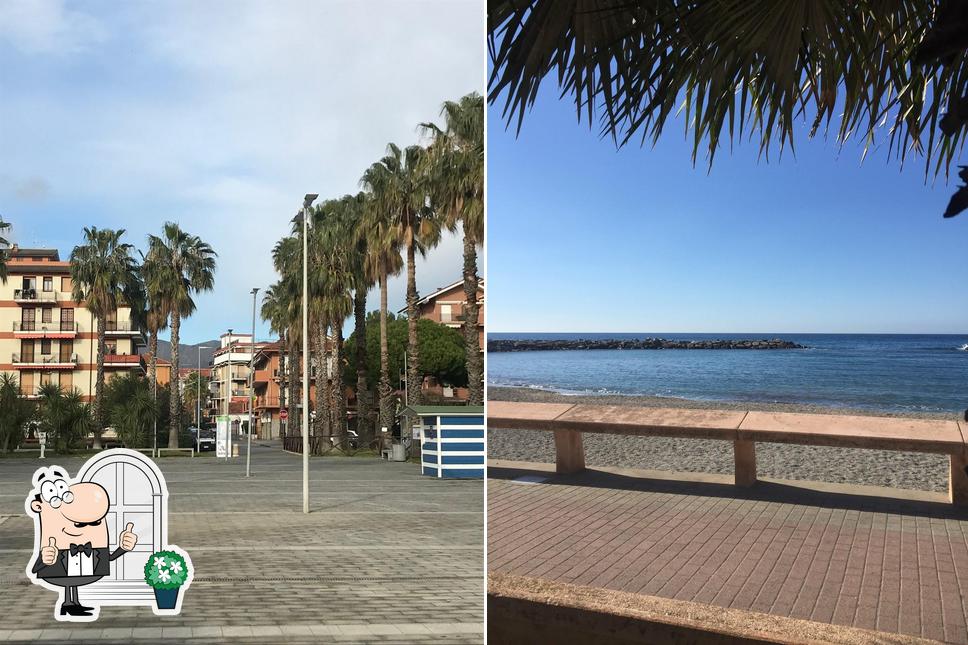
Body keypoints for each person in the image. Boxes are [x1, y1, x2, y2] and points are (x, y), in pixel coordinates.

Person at [26, 466, 138, 618]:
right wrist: (45, 559)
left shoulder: (94, 548)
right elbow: (35, 569)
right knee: (68, 581)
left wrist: (123, 547)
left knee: (72, 582)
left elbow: (108, 558)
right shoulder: (53, 545)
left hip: (83, 570)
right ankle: (68, 603)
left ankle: (73, 604)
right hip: (59, 568)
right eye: (79, 524)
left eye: (96, 522)